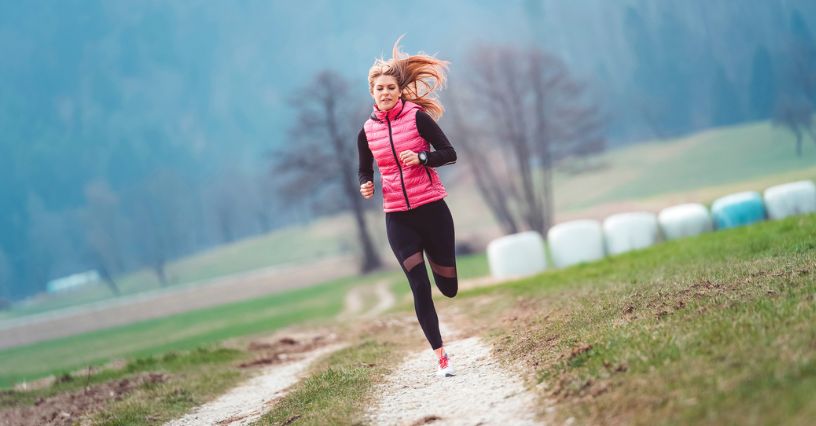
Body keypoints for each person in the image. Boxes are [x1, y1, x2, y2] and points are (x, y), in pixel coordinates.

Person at [357, 38, 459, 377]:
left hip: (432, 211)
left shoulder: (418, 119)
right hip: (398, 217)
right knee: (419, 286)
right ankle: (441, 355)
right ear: (372, 92)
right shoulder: (367, 132)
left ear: (399, 91)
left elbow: (449, 153)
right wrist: (365, 183)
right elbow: (363, 167)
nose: (385, 93)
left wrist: (422, 157)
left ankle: (438, 258)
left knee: (448, 288)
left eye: (390, 88)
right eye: (379, 89)